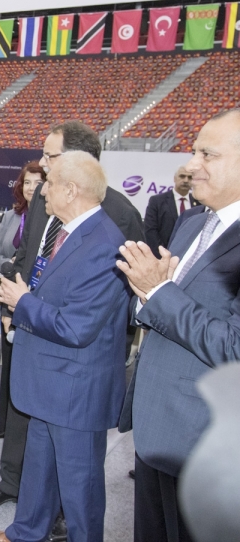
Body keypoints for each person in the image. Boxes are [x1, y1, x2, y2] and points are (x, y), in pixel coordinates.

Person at [0, 121, 143, 534]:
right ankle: (24, 533)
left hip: (75, 388)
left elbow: (77, 327)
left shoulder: (105, 245)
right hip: (50, 379)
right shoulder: (73, 231)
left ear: (71, 191)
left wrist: (22, 302)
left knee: (80, 488)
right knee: (39, 469)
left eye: (49, 183)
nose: (42, 190)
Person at [117, 109, 240, 542]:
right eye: (194, 152)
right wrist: (145, 294)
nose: (191, 165)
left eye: (208, 154)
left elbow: (234, 347)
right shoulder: (192, 224)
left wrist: (158, 291)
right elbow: (159, 305)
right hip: (156, 427)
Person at [0, 161, 45, 438]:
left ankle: (26, 427)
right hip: (10, 294)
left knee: (31, 368)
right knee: (8, 364)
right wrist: (9, 267)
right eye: (27, 182)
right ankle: (5, 423)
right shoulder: (12, 216)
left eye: (38, 182)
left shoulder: (52, 219)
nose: (32, 188)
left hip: (36, 300)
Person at [143, 166, 200, 259]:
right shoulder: (157, 201)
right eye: (182, 176)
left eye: (190, 177)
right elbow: (150, 231)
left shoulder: (199, 203)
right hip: (163, 256)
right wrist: (163, 255)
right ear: (174, 178)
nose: (186, 180)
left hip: (191, 257)